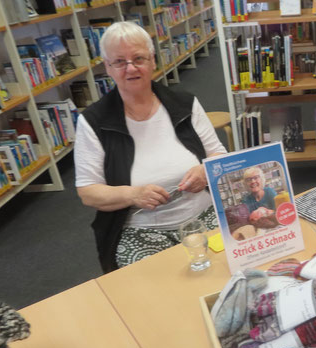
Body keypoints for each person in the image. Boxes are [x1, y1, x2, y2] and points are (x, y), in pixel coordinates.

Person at [74, 22, 227, 272]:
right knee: (154, 290)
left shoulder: (184, 104)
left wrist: (205, 170)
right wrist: (133, 195)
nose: (131, 68)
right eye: (120, 62)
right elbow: (88, 192)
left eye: (138, 58)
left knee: (230, 267)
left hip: (205, 215)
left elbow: (219, 155)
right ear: (108, 68)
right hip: (141, 229)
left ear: (153, 60)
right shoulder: (94, 122)